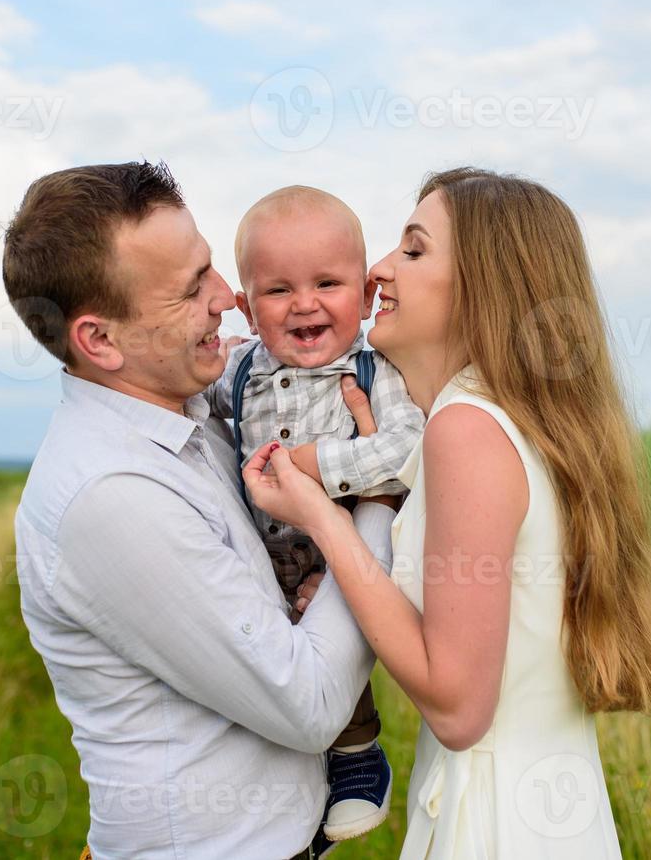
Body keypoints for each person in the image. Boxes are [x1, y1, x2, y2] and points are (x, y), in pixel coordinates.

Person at [243, 166, 651, 859]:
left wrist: (323, 518)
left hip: (489, 827)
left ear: (485, 286)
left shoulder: (467, 430)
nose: (381, 271)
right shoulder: (505, 422)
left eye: (415, 250)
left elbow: (457, 708)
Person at [1, 162, 395, 859]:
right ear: (100, 341)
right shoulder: (111, 494)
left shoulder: (202, 406)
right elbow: (306, 706)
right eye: (191, 290)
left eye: (209, 269)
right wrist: (375, 501)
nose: (227, 299)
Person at [204, 185, 427, 841]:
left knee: (334, 642)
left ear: (362, 297)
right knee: (263, 664)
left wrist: (315, 464)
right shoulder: (241, 368)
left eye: (327, 283)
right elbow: (192, 401)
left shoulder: (372, 370)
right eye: (277, 291)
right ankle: (282, 785)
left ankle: (358, 755)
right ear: (247, 306)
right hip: (259, 550)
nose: (304, 303)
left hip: (341, 551)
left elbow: (408, 449)